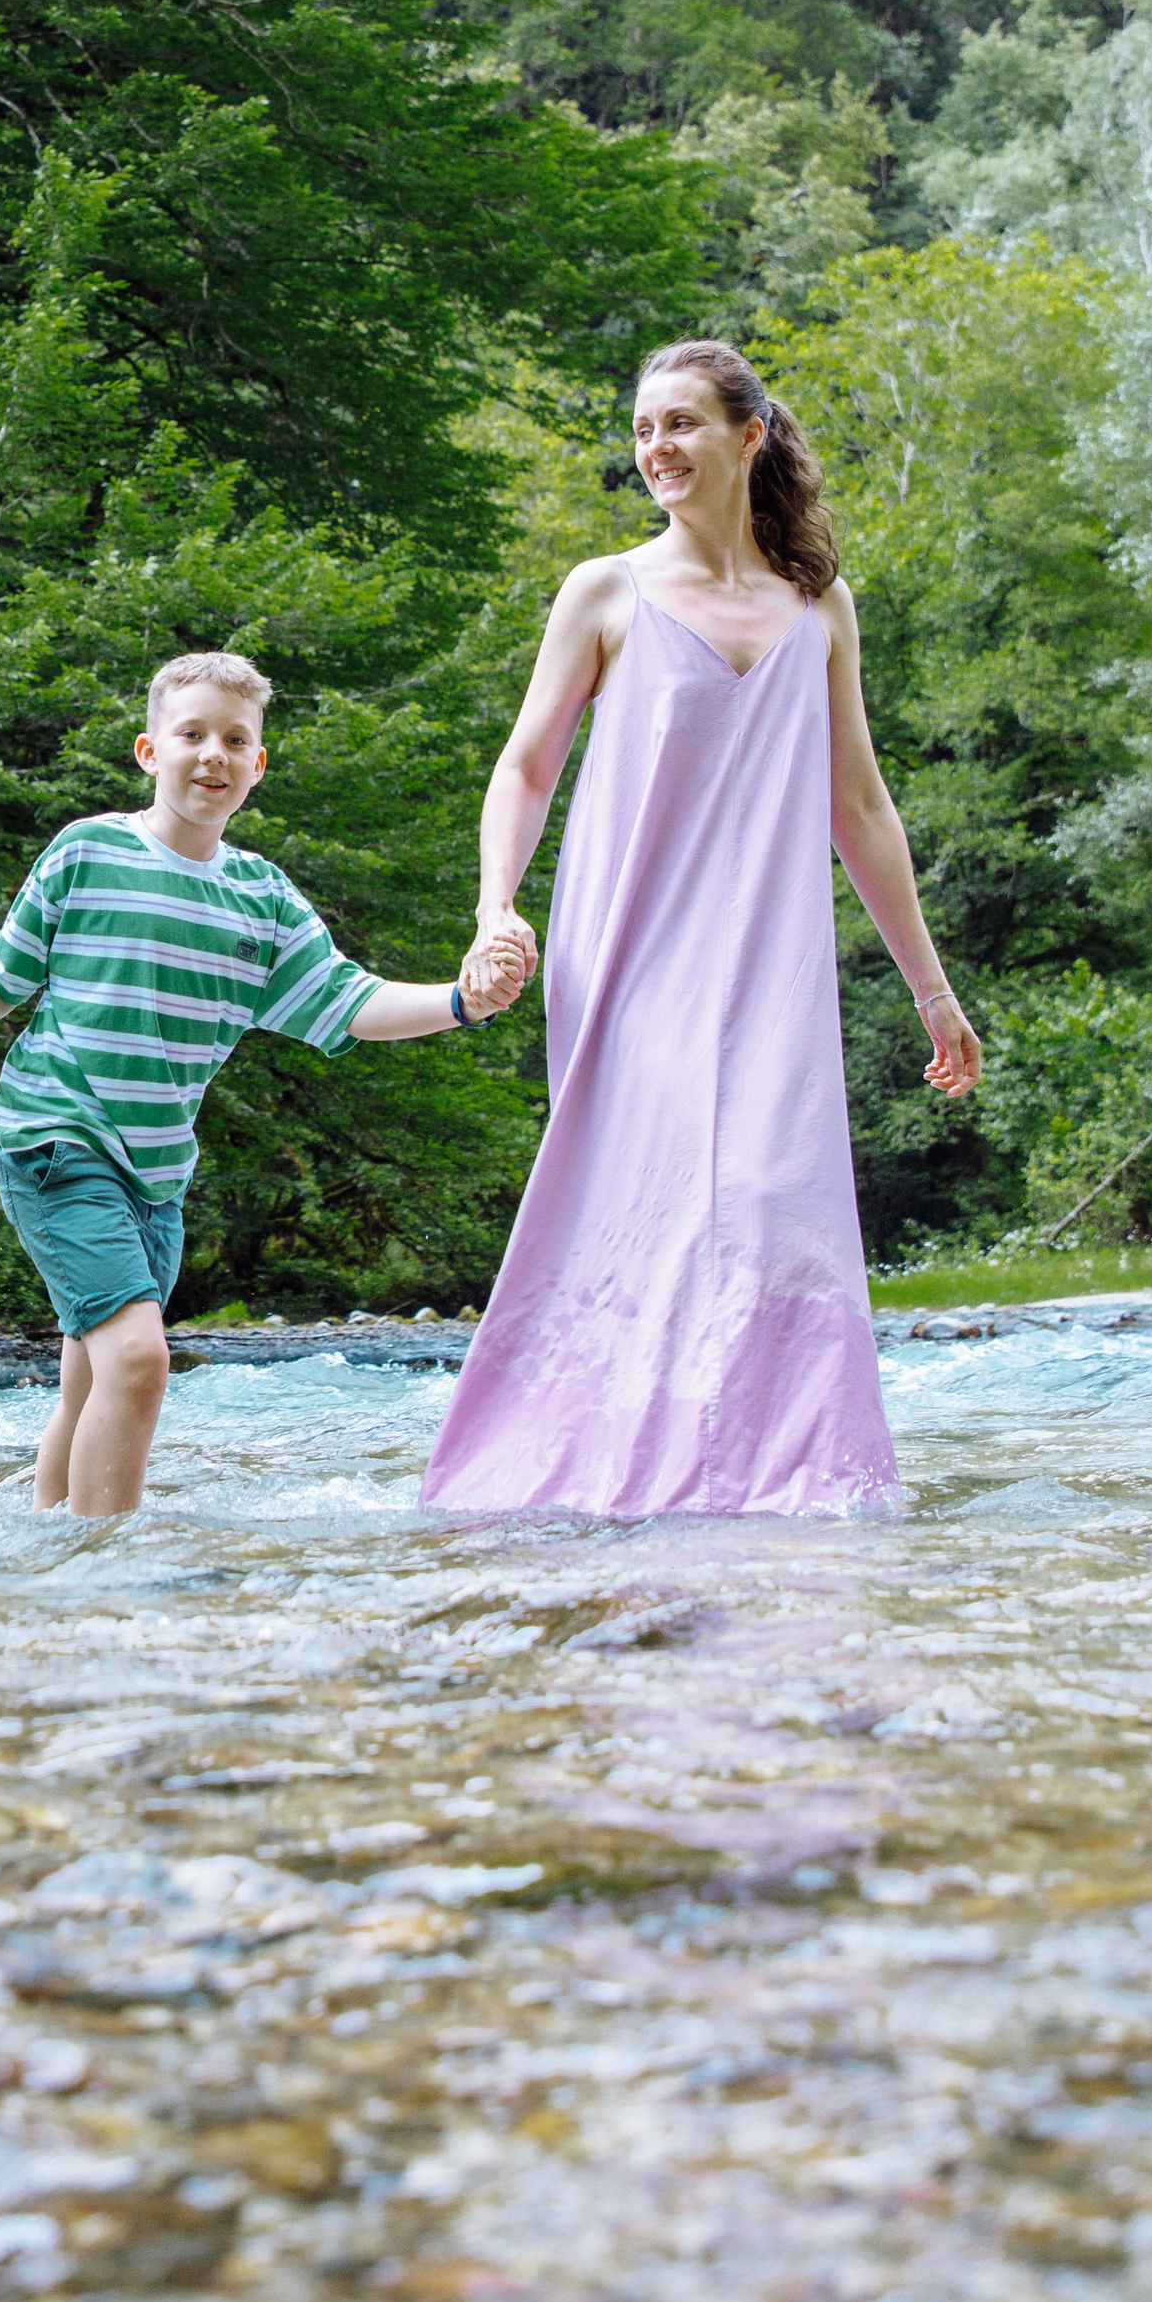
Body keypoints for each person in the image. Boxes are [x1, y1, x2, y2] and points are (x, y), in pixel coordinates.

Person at [420, 338, 983, 1521]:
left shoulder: (817, 604)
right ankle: (600, 1469)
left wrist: (930, 989)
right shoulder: (605, 591)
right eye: (640, 431)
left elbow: (861, 804)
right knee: (652, 1199)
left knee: (774, 1200)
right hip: (628, 958)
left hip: (771, 964)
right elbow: (524, 770)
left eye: (679, 424)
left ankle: (773, 1478)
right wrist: (492, 907)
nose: (656, 449)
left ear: (748, 434)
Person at [0, 651, 525, 1517]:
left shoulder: (262, 900)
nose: (213, 754)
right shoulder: (87, 852)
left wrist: (462, 1001)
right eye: (191, 734)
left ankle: (38, 1562)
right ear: (149, 751)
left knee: (91, 1380)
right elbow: (3, 972)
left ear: (257, 765)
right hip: (58, 1139)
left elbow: (350, 1001)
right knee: (137, 1361)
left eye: (236, 740)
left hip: (157, 1176)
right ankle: (102, 1568)